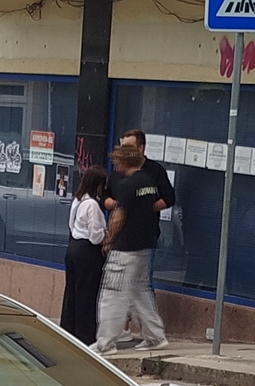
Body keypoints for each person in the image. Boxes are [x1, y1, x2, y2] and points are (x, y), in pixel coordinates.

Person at [98, 130, 171, 353]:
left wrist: (109, 240)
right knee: (140, 292)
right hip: (145, 245)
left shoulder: (128, 186)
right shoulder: (148, 181)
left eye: (118, 161)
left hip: (126, 247)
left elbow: (119, 215)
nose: (116, 166)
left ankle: (105, 343)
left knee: (112, 293)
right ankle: (155, 336)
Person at [59, 167, 109, 346]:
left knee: (72, 292)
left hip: (74, 247)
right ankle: (85, 334)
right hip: (88, 251)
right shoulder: (93, 205)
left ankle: (68, 329)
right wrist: (107, 234)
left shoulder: (78, 200)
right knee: (86, 294)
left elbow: (72, 226)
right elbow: (96, 236)